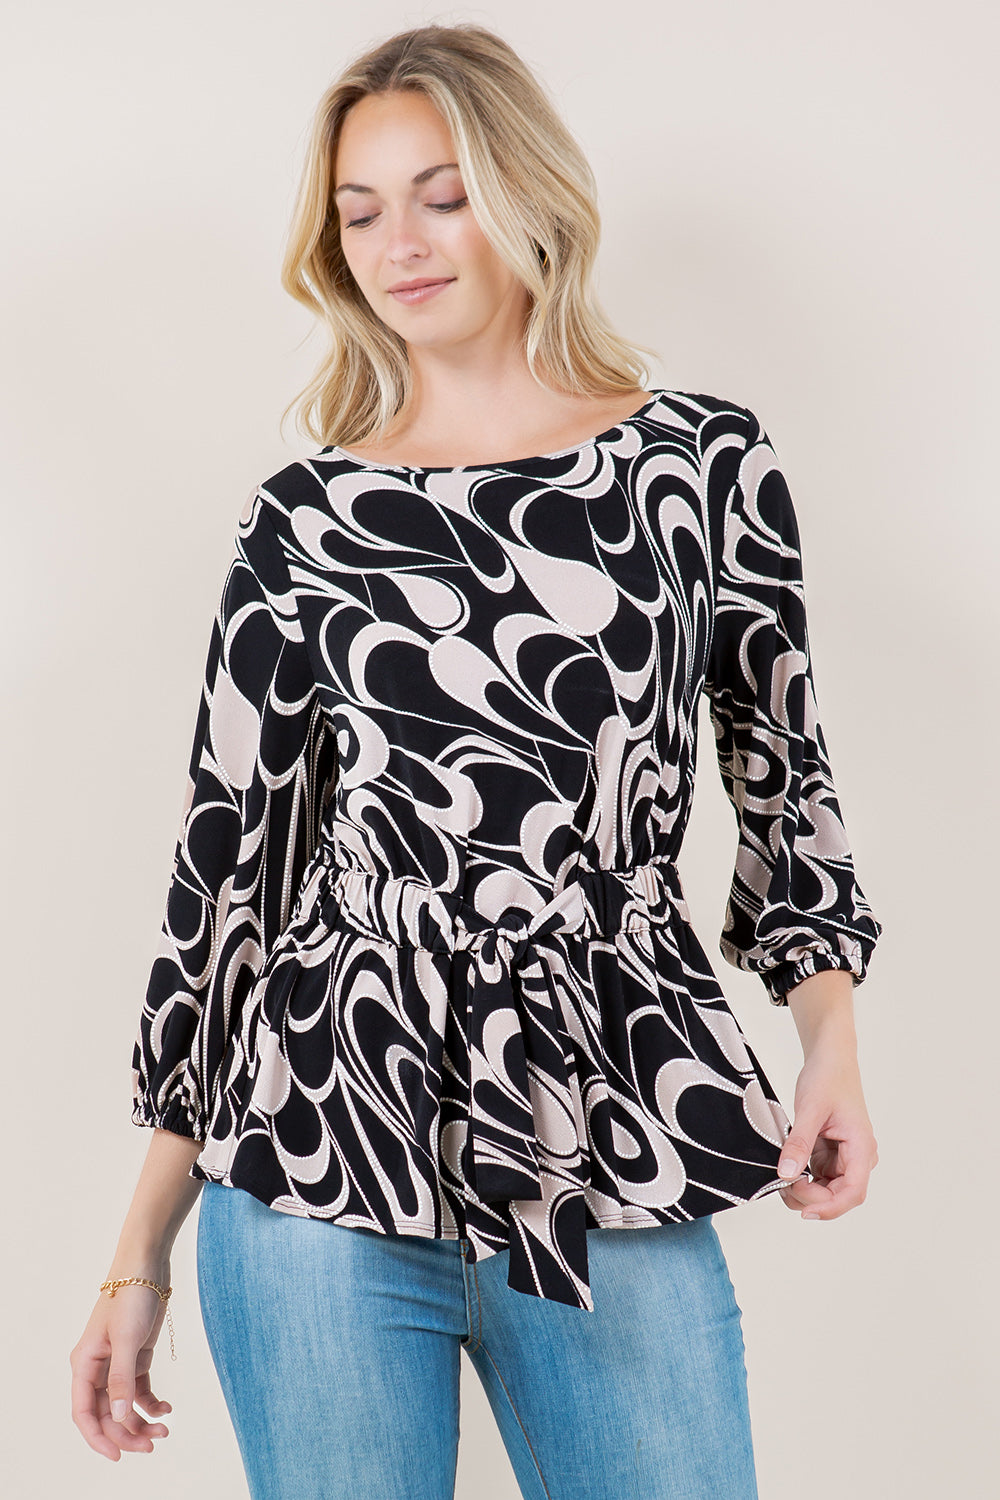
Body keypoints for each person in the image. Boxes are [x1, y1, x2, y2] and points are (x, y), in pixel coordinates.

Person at [70, 21, 883, 1499]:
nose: (401, 243)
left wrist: (828, 1040)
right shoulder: (304, 520)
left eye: (442, 196)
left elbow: (784, 777)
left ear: (527, 196)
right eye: (360, 212)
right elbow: (227, 886)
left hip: (614, 1122)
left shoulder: (699, 466)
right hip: (320, 1148)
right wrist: (139, 1252)